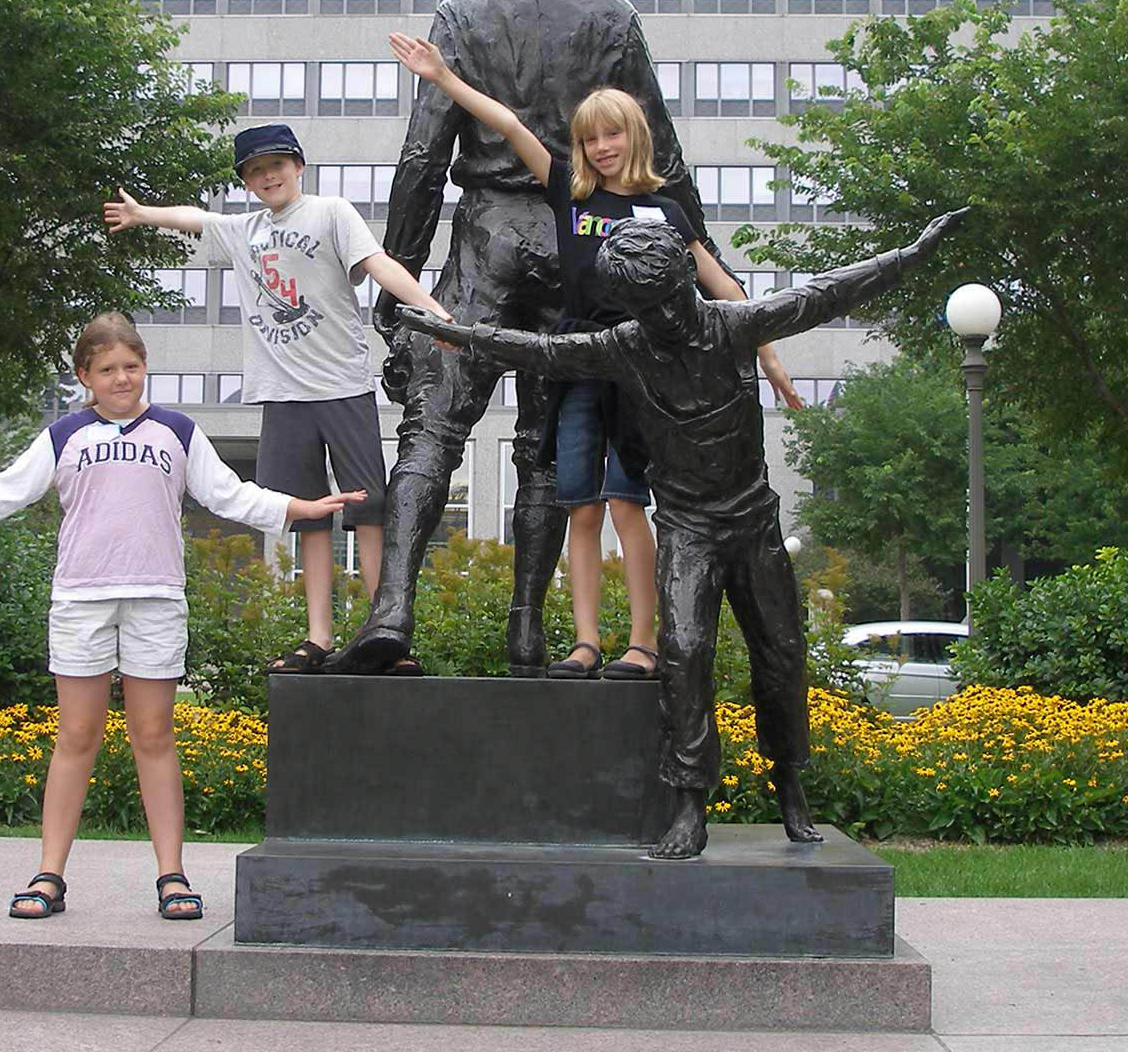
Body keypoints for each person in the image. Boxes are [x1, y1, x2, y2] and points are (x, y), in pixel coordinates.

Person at [396, 209, 967, 858]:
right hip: (689, 530)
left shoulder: (737, 325)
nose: (655, 321)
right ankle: (689, 802)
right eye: (638, 308)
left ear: (682, 288)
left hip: (753, 523)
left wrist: (916, 251)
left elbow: (830, 291)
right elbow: (544, 351)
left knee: (780, 658)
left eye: (661, 305)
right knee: (686, 653)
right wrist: (454, 331)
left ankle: (790, 787)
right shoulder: (628, 345)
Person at [332, 0, 735, 676]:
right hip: (583, 241)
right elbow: (666, 159)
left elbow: (422, 158)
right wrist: (703, 269)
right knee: (546, 445)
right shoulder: (613, 17)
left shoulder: (463, 13)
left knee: (434, 425)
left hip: (487, 233)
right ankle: (529, 630)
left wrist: (397, 276)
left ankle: (394, 611)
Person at [0, 313, 361, 920]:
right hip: (80, 602)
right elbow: (1, 492)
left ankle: (172, 877)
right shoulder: (63, 436)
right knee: (76, 738)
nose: (122, 379)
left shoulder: (178, 431)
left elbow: (230, 494)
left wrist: (300, 507)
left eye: (131, 366)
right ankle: (48, 875)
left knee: (154, 737)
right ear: (85, 377)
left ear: (145, 367)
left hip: (156, 600)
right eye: (107, 370)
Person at [386, 33, 801, 681]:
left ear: (634, 138)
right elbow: (507, 124)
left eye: (612, 136)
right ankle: (584, 644)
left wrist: (768, 358)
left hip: (644, 374)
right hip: (582, 368)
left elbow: (724, 288)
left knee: (627, 505)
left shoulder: (665, 213)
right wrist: (441, 76)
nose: (601, 149)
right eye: (589, 140)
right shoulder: (570, 196)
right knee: (578, 506)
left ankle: (643, 643)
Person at [104, 124, 451, 676]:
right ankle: (317, 637)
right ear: (246, 181)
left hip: (342, 388)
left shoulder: (331, 213)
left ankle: (381, 631)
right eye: (255, 171)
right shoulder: (244, 230)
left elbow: (380, 265)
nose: (268, 176)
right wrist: (145, 214)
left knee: (367, 512)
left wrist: (431, 309)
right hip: (283, 397)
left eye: (277, 165)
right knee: (304, 517)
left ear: (298, 166)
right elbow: (196, 218)